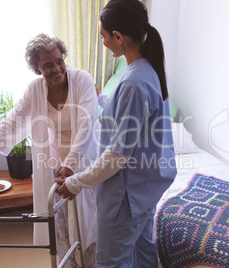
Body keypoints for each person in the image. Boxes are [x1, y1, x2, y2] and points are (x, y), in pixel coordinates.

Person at [55, 0, 177, 267]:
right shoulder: (147, 71)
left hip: (126, 195)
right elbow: (129, 116)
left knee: (111, 262)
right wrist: (100, 97)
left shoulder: (134, 82)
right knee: (143, 253)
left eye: (103, 36)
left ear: (118, 37)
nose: (103, 42)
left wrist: (76, 183)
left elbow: (117, 155)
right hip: (146, 188)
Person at [0, 33, 99, 267]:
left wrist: (71, 165)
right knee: (57, 223)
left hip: (83, 159)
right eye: (48, 64)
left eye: (59, 60)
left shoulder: (82, 80)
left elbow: (86, 125)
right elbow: (11, 122)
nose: (57, 68)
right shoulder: (35, 89)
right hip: (53, 164)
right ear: (37, 69)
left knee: (86, 224)